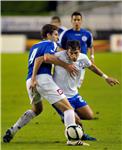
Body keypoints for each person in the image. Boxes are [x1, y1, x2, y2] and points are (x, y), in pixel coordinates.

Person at [3, 24, 84, 146]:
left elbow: (38, 59)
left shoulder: (34, 46)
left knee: (37, 109)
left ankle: (13, 130)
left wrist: (34, 78)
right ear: (48, 35)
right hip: (43, 79)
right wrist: (66, 66)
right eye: (56, 34)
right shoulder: (51, 44)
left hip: (30, 80)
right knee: (69, 109)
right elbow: (46, 57)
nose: (57, 37)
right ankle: (72, 140)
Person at [51, 40, 119, 141]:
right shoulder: (58, 56)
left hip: (74, 94)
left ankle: (66, 117)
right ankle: (81, 135)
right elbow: (45, 59)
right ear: (67, 51)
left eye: (76, 53)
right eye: (71, 53)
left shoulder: (83, 57)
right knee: (78, 121)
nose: (73, 56)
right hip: (60, 97)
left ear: (80, 51)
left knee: (89, 115)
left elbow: (91, 66)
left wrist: (106, 77)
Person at [59, 11, 95, 87]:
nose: (76, 22)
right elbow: (61, 48)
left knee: (77, 86)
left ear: (81, 21)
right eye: (74, 20)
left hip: (82, 63)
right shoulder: (66, 33)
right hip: (69, 63)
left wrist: (92, 57)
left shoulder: (87, 34)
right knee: (69, 86)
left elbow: (91, 46)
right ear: (71, 21)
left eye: (78, 20)